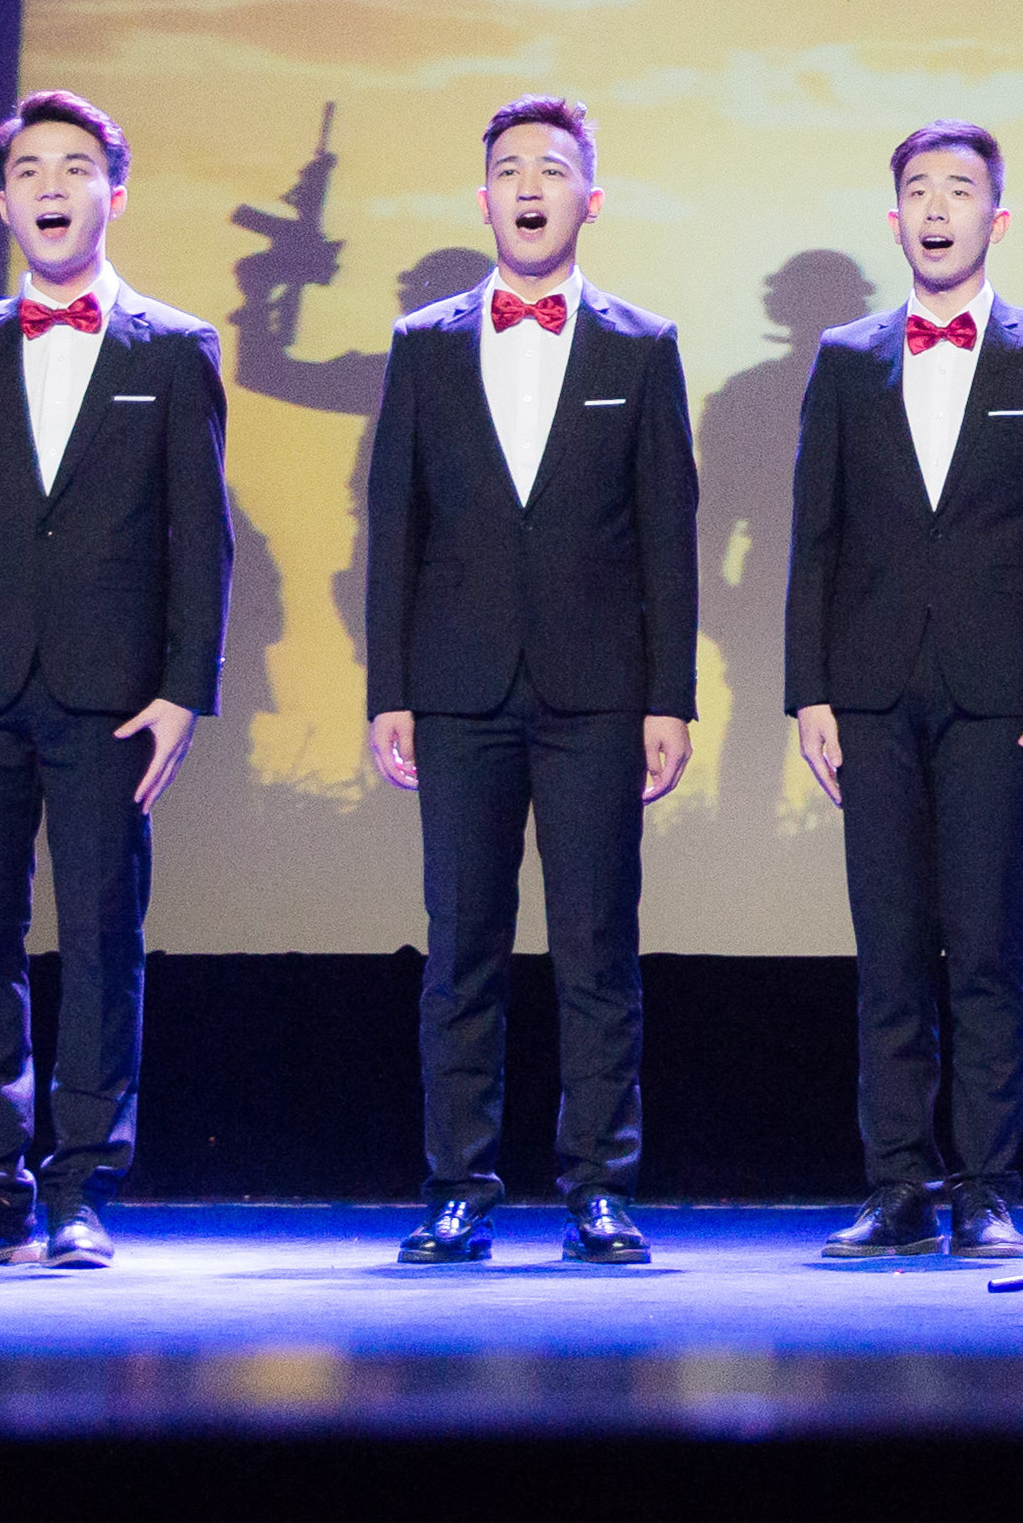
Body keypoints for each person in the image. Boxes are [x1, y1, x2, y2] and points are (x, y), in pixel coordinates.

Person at [0, 91, 235, 1271]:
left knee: (100, 940)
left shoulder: (173, 349)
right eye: (30, 169)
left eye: (75, 167)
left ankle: (82, 1187)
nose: (50, 186)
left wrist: (185, 690)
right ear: (2, 202)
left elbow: (201, 537)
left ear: (113, 195)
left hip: (113, 695)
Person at [364, 97, 699, 1269]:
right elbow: (394, 526)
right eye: (508, 168)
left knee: (598, 949)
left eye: (551, 169)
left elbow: (668, 538)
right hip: (457, 689)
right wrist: (389, 689)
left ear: (589, 199)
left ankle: (600, 1188)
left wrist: (670, 697)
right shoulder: (422, 344)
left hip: (597, 691)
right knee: (462, 948)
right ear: (482, 198)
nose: (527, 186)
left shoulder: (640, 346)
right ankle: (457, 1188)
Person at [786, 122, 1023, 1265]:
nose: (937, 209)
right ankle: (897, 1187)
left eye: (960, 190)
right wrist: (808, 691)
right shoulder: (845, 358)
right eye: (919, 192)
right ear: (894, 221)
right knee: (889, 953)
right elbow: (813, 538)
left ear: (997, 218)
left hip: (1001, 696)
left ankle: (984, 1190)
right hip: (872, 694)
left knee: (984, 947)